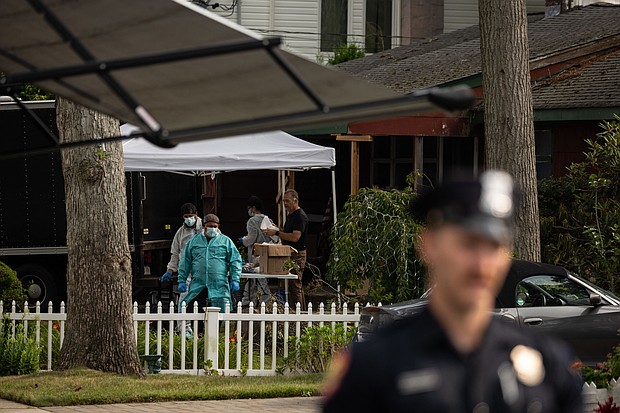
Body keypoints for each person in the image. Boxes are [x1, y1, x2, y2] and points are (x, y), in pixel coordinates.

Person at [322, 170, 583, 412]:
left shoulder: (548, 365)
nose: (481, 265)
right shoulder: (375, 365)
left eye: (493, 247)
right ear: (429, 246)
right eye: (467, 244)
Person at [177, 213, 242, 313]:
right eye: (210, 226)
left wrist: (235, 279)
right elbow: (185, 261)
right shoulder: (194, 241)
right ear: (204, 226)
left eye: (215, 227)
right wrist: (182, 279)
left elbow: (235, 260)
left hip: (218, 285)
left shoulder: (225, 241)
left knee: (219, 316)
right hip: (198, 285)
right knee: (195, 312)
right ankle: (198, 329)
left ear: (218, 226)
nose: (212, 229)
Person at [263, 189, 308, 310]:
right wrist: (276, 229)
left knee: (295, 284)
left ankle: (300, 313)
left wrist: (277, 233)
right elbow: (287, 233)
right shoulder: (291, 215)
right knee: (290, 284)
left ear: (295, 200)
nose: (285, 204)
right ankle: (295, 309)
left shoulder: (300, 216)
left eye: (287, 201)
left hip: (297, 254)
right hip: (288, 252)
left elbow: (295, 237)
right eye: (283, 201)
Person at [160, 203, 202, 311]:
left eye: (190, 215)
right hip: (187, 268)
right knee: (184, 298)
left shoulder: (204, 228)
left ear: (196, 214)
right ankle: (182, 325)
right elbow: (175, 253)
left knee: (202, 298)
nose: (189, 219)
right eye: (186, 216)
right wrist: (170, 270)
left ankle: (203, 326)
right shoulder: (180, 233)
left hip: (203, 268)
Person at [239, 196, 277, 306]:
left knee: (255, 277)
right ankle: (254, 300)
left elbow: (251, 238)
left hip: (255, 252)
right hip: (266, 251)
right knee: (260, 276)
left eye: (249, 208)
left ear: (254, 208)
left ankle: (258, 300)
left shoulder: (252, 221)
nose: (249, 211)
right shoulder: (268, 220)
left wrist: (243, 240)